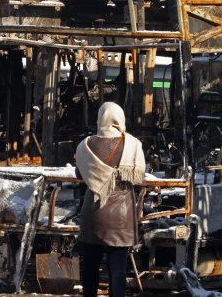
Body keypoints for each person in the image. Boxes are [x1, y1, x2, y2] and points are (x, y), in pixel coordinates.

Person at [74, 102, 146, 297]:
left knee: (90, 267)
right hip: (121, 218)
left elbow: (79, 174)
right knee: (117, 271)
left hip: (92, 213)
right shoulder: (133, 144)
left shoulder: (85, 145)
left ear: (100, 118)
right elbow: (139, 178)